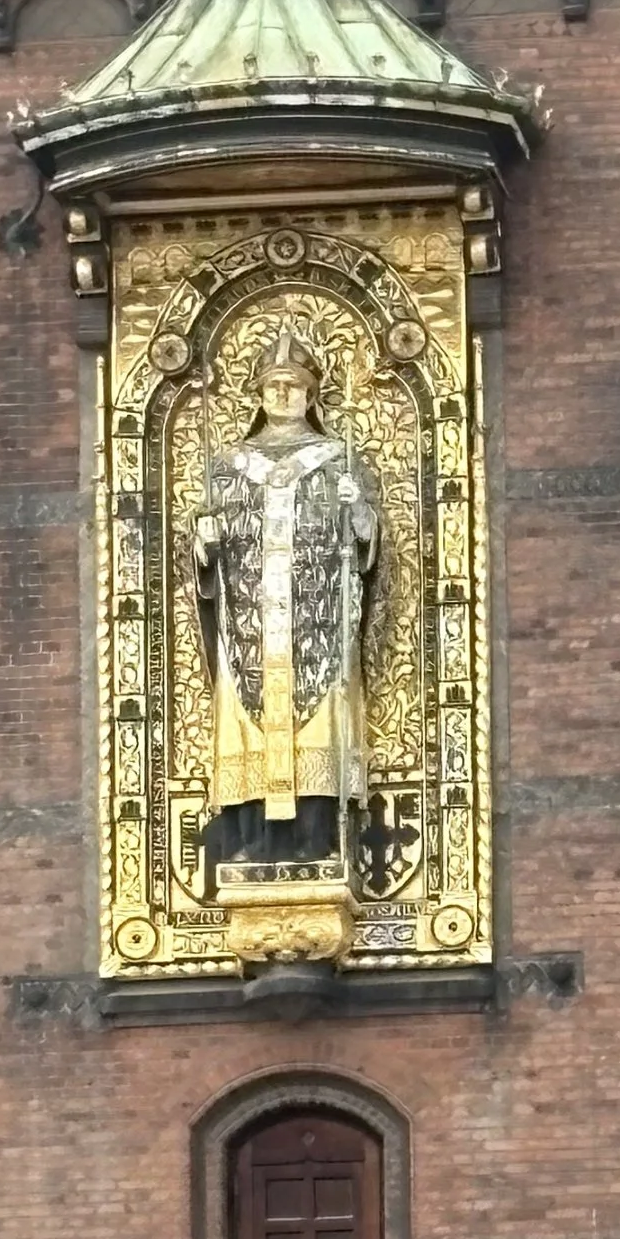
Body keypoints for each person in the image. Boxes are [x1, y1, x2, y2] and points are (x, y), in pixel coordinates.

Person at [192, 315, 379, 876]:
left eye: (293, 385)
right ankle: (252, 836)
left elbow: (369, 545)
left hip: (314, 617)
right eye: (273, 385)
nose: (282, 394)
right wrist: (204, 543)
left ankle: (315, 835)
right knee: (246, 721)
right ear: (259, 394)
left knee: (319, 718)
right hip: (247, 622)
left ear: (311, 395)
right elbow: (205, 543)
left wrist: (359, 513)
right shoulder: (227, 466)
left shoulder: (337, 459)